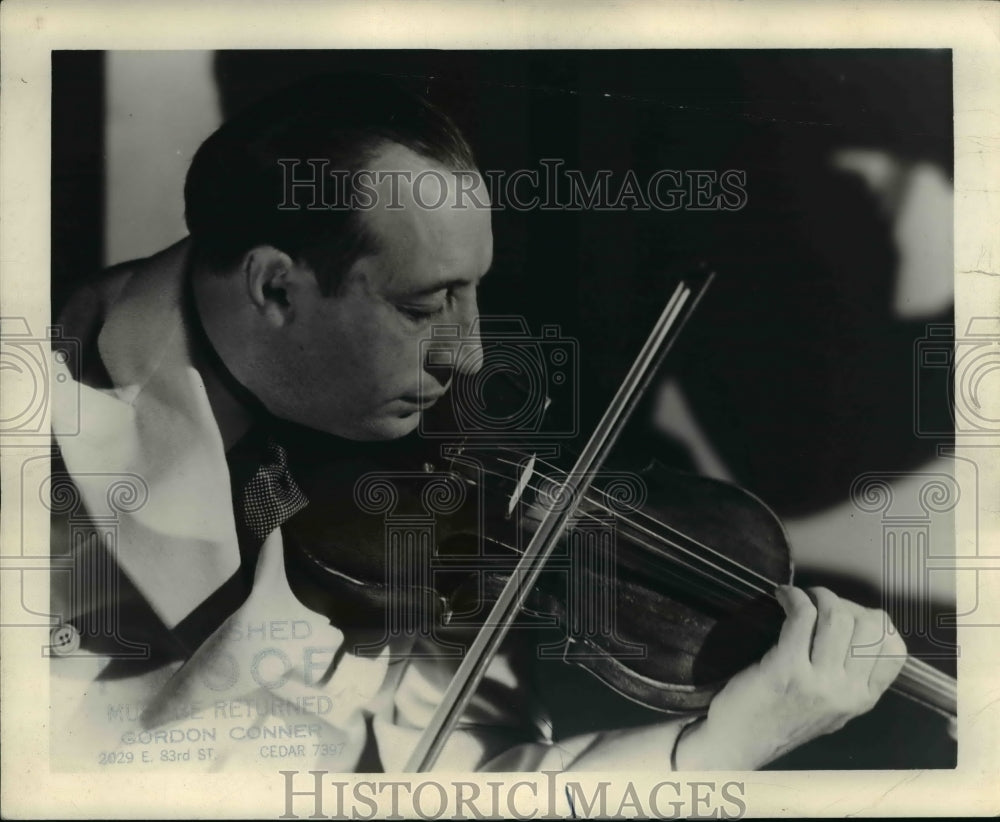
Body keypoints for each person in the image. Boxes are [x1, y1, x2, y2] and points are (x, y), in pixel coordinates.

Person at [49, 72, 906, 776]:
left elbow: (446, 775)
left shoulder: (417, 470)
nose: (468, 355)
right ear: (275, 289)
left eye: (475, 290)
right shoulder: (44, 465)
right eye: (426, 306)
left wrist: (718, 746)